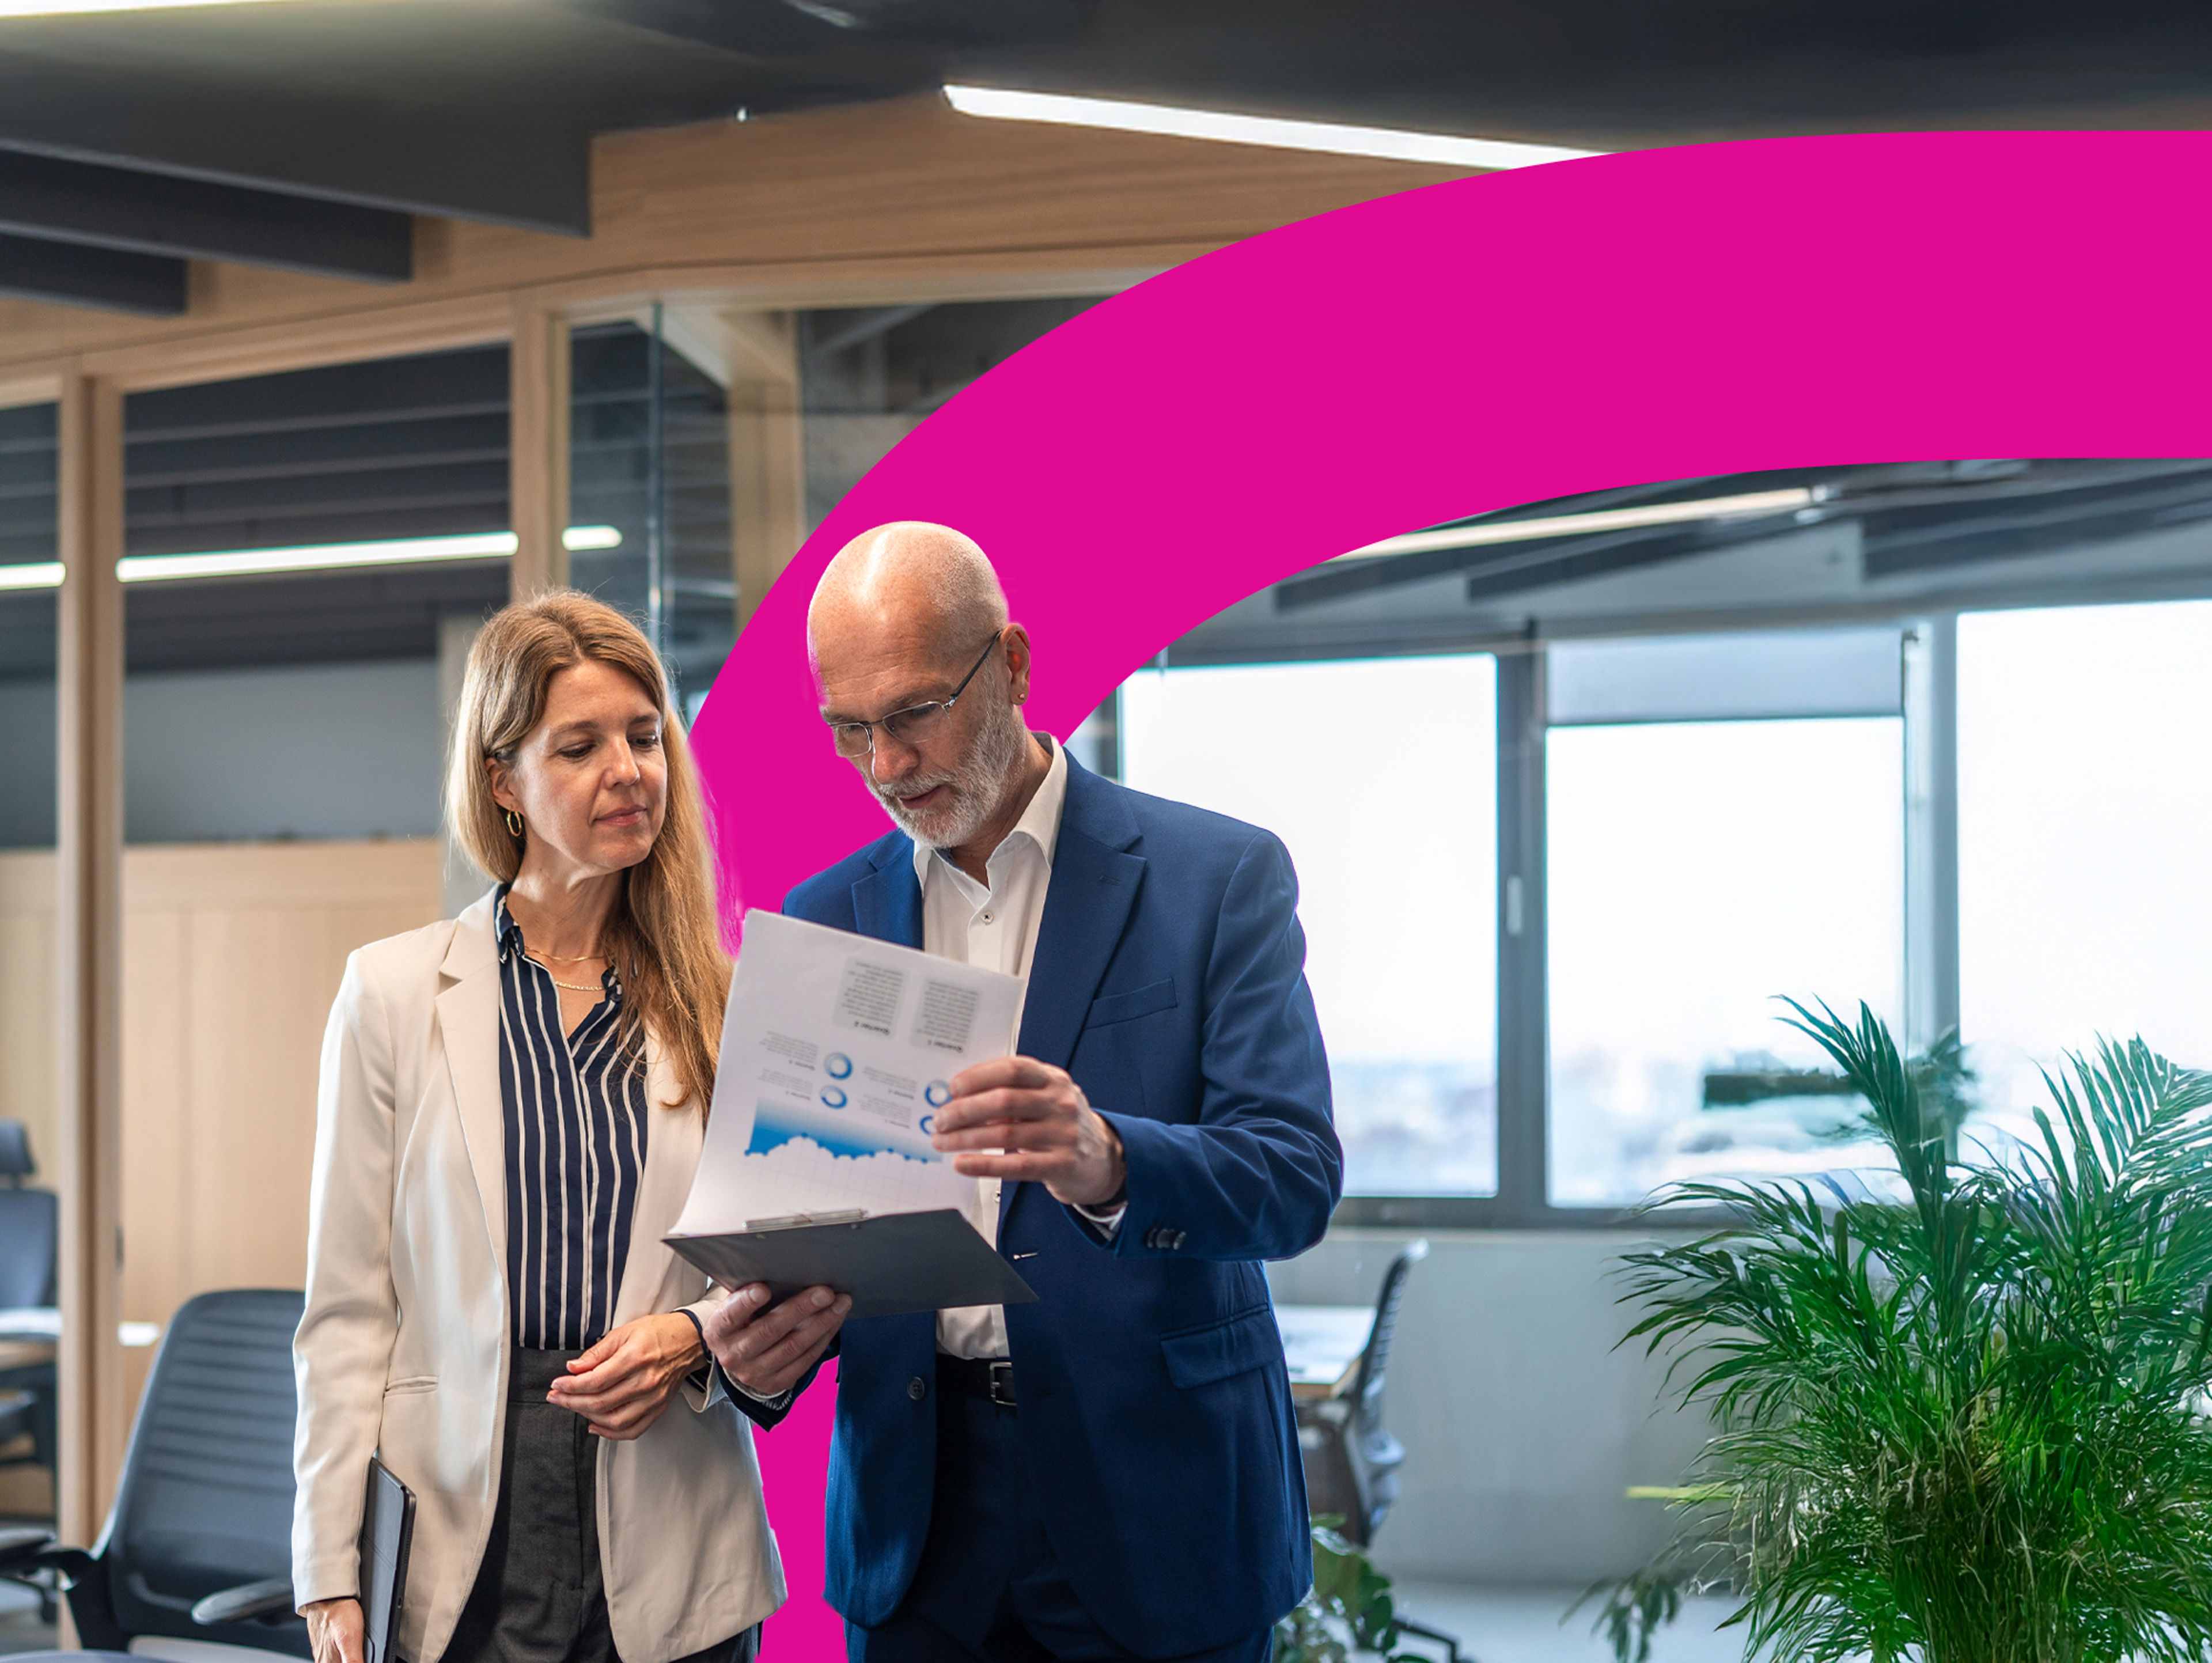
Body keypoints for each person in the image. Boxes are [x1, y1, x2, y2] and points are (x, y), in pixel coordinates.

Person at [702, 522, 1342, 1663]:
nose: (887, 767)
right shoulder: (820, 918)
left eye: (913, 713)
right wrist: (763, 1342)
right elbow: (808, 1217)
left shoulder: (1216, 879)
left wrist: (1108, 1157)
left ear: (1013, 665)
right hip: (919, 1520)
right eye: (851, 730)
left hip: (1159, 1501)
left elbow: (1292, 1178)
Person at [292, 592, 789, 1663]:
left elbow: (783, 1268)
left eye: (647, 737)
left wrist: (694, 1339)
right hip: (464, 1510)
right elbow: (346, 1310)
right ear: (500, 779)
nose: (630, 769)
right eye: (581, 746)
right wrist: (328, 1567)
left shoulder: (732, 1003)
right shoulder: (392, 993)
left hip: (673, 1498)